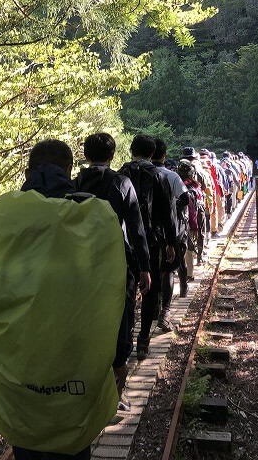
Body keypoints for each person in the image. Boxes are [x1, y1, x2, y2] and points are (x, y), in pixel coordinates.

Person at [0, 139, 127, 460]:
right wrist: (120, 356)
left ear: (27, 171)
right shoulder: (95, 219)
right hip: (79, 366)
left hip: (18, 368)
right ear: (69, 171)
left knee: (26, 445)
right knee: (75, 443)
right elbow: (115, 293)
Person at [75, 132, 151, 384]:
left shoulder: (74, 184)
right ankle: (118, 376)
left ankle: (91, 376)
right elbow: (136, 229)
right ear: (112, 155)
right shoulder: (121, 183)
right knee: (121, 316)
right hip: (115, 262)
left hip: (79, 263)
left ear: (85, 156)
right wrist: (144, 267)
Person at [119, 134, 177, 360]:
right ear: (153, 154)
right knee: (149, 287)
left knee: (126, 288)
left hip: (122, 242)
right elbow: (167, 213)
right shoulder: (158, 175)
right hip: (151, 240)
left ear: (131, 150)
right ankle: (143, 339)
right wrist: (171, 242)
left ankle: (124, 340)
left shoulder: (120, 174)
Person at [152, 138, 190, 330]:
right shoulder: (171, 176)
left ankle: (152, 309)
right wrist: (171, 208)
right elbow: (185, 198)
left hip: (145, 230)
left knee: (151, 268)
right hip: (169, 229)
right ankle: (165, 312)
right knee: (168, 268)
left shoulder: (137, 174)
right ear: (164, 154)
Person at [177, 159, 200, 280]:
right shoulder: (191, 188)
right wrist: (195, 226)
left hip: (174, 222)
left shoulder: (175, 184)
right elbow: (192, 211)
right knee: (188, 250)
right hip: (187, 223)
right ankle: (189, 274)